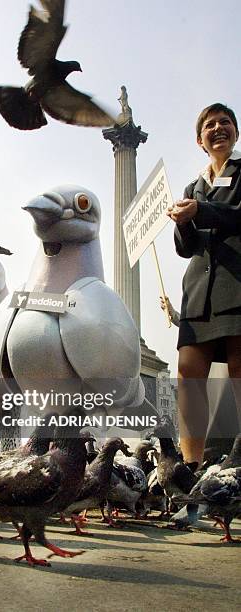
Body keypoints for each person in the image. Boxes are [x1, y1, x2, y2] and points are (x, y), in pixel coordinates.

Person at [167, 102, 241, 467]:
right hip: (198, 296)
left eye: (225, 122)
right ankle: (190, 471)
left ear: (235, 132)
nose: (218, 128)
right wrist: (181, 222)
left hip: (237, 287)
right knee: (189, 378)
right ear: (200, 140)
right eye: (210, 125)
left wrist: (201, 211)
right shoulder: (193, 186)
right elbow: (186, 249)